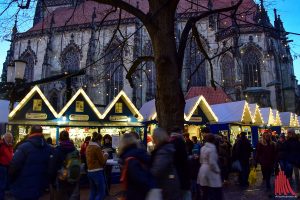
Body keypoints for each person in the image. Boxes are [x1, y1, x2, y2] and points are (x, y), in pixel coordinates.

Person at [9, 125, 52, 200]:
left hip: (23, 185)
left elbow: (14, 166)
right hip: (39, 185)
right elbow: (50, 167)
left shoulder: (23, 147)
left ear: (30, 133)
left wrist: (11, 179)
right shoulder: (48, 148)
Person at [119, 133, 156, 200]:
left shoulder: (129, 157)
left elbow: (139, 178)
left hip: (137, 194)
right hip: (142, 193)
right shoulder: (138, 153)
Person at [49, 130, 80, 199]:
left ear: (59, 139)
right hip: (73, 177)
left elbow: (53, 166)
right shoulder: (75, 150)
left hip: (62, 178)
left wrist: (51, 180)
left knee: (62, 196)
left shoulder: (57, 150)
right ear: (68, 138)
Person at [151, 128, 181, 200]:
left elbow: (157, 169)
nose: (153, 139)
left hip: (167, 185)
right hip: (169, 183)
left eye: (154, 137)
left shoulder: (163, 151)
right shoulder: (166, 148)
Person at [197, 133, 223, 200]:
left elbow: (200, 160)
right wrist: (218, 170)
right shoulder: (212, 148)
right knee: (215, 193)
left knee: (205, 192)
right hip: (211, 172)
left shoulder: (202, 148)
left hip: (202, 170)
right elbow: (212, 163)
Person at [169, 128, 191, 199]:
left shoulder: (169, 142)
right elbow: (184, 159)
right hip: (181, 173)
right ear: (179, 132)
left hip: (172, 174)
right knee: (185, 194)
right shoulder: (180, 142)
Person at [86, 132, 108, 200]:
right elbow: (103, 162)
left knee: (93, 191)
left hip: (90, 171)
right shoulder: (97, 148)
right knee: (101, 192)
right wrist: (105, 155)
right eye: (101, 140)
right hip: (97, 171)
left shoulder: (88, 147)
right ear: (98, 140)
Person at [0, 132, 13, 200]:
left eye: (11, 138)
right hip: (2, 166)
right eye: (9, 137)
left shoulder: (8, 145)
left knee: (3, 183)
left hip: (6, 166)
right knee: (2, 183)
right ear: (5, 138)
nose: (10, 139)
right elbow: (9, 156)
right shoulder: (3, 145)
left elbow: (10, 156)